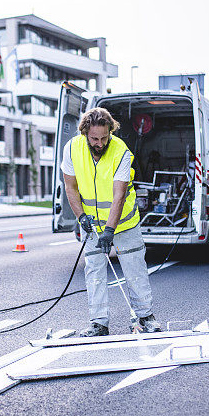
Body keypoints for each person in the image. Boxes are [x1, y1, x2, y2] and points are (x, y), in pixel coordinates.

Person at [61, 107, 161, 337]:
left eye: (104, 138)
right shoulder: (72, 149)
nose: (99, 143)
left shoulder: (120, 152)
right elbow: (70, 187)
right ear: (85, 133)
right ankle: (98, 323)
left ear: (110, 132)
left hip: (124, 223)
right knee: (94, 271)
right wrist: (81, 216)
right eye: (94, 138)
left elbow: (119, 195)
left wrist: (110, 230)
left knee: (134, 269)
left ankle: (145, 317)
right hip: (93, 225)